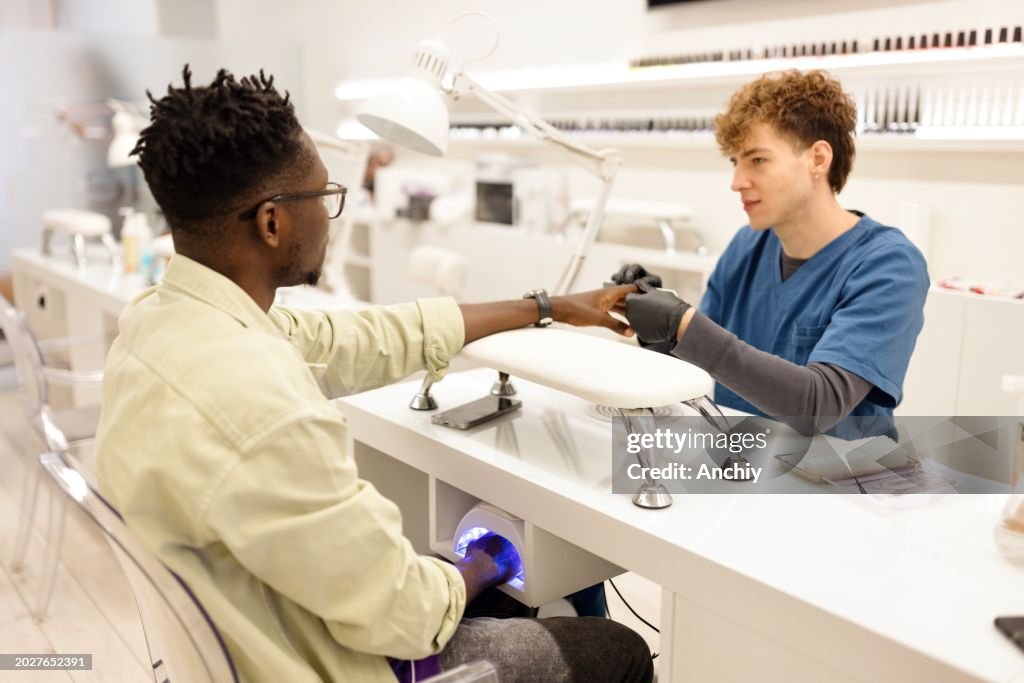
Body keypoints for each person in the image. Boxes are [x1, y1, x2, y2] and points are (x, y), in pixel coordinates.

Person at [95, 66, 653, 683]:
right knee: (615, 648)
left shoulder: (159, 324)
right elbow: (410, 615)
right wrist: (491, 559)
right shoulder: (264, 407)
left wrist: (547, 307)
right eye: (324, 198)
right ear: (273, 222)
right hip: (330, 662)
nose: (331, 217)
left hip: (252, 625)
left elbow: (356, 339)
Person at [614, 70, 929, 437]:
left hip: (841, 481)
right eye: (735, 162)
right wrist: (655, 327)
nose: (737, 182)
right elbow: (697, 367)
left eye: (757, 160)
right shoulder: (746, 247)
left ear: (818, 159)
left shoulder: (888, 265)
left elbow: (818, 405)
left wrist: (683, 323)